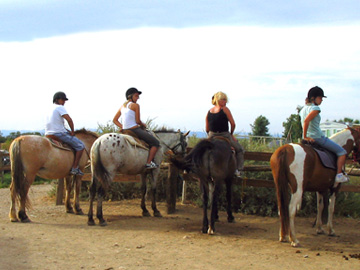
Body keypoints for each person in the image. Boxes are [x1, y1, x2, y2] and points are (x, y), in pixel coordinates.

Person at [299, 86, 348, 183]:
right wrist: (305, 136)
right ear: (313, 98)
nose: (321, 100)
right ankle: (339, 175)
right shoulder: (316, 108)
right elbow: (306, 121)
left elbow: (304, 121)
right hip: (318, 137)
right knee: (342, 152)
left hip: (310, 136)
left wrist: (304, 136)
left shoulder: (303, 109)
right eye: (320, 98)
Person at [113, 87, 160, 169]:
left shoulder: (122, 107)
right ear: (130, 96)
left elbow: (115, 120)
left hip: (126, 130)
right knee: (156, 143)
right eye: (136, 96)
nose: (138, 98)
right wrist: (143, 124)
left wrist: (123, 127)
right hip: (134, 130)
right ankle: (149, 163)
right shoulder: (135, 105)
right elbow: (138, 121)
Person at [205, 91, 245, 177]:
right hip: (224, 134)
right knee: (239, 150)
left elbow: (207, 128)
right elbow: (233, 124)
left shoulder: (209, 112)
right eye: (223, 99)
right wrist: (231, 134)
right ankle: (238, 170)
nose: (225, 102)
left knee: (202, 149)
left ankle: (198, 168)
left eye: (225, 100)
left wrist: (210, 135)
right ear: (218, 100)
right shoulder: (225, 109)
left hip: (212, 135)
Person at [45, 92, 85, 175]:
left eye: (64, 100)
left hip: (48, 133)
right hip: (58, 134)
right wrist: (73, 132)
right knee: (80, 146)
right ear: (57, 99)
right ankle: (75, 168)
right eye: (62, 99)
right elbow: (69, 120)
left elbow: (56, 124)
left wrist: (67, 131)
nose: (64, 102)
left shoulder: (49, 109)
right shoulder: (60, 107)